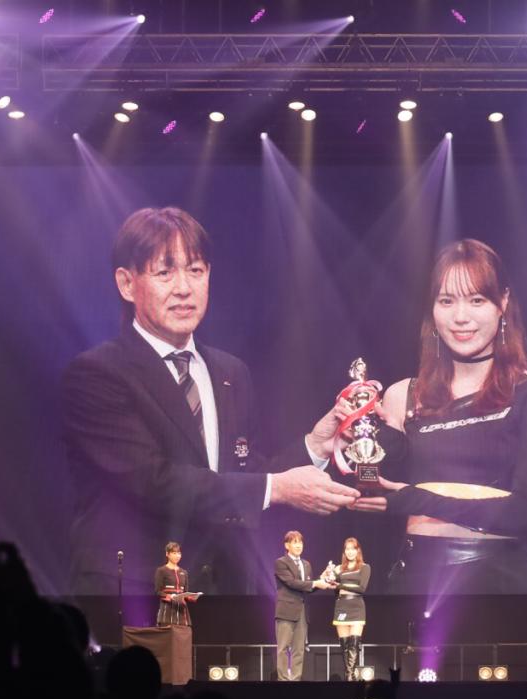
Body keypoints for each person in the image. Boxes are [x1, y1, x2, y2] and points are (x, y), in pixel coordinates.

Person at [62, 207, 359, 595]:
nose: (183, 288)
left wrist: (315, 447)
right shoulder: (98, 374)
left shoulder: (230, 372)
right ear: (127, 283)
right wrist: (278, 488)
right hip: (133, 592)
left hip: (223, 590)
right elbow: (154, 482)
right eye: (164, 272)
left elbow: (244, 472)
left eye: (196, 270)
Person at [354, 238, 527, 594]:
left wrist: (414, 498)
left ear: (502, 303)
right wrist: (352, 441)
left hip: (497, 584)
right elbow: (365, 490)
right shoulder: (402, 395)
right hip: (412, 582)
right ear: (432, 309)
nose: (460, 317)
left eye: (476, 300)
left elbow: (525, 512)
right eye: (446, 300)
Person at [273, 530, 334, 681]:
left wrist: (322, 580)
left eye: (300, 542)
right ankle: (282, 680)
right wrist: (315, 583)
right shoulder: (281, 562)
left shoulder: (306, 564)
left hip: (302, 611)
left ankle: (296, 680)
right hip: (286, 611)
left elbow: (307, 587)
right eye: (295, 542)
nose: (298, 545)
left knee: (299, 649)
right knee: (283, 648)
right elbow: (292, 583)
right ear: (287, 545)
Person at [324, 537, 370, 681]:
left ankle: (350, 677)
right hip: (341, 607)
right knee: (344, 646)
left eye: (353, 549)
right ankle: (348, 675)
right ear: (344, 551)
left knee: (354, 644)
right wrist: (329, 575)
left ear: (358, 550)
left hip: (356, 607)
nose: (350, 552)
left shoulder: (364, 567)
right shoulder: (339, 568)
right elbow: (333, 587)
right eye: (347, 549)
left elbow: (362, 588)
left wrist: (340, 585)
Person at [153, 541, 196, 627]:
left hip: (182, 612)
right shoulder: (161, 571)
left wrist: (191, 597)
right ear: (167, 554)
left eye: (179, 553)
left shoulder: (184, 572)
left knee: (183, 633)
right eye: (174, 553)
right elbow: (158, 591)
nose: (177, 556)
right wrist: (170, 596)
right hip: (167, 610)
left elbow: (185, 592)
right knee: (168, 633)